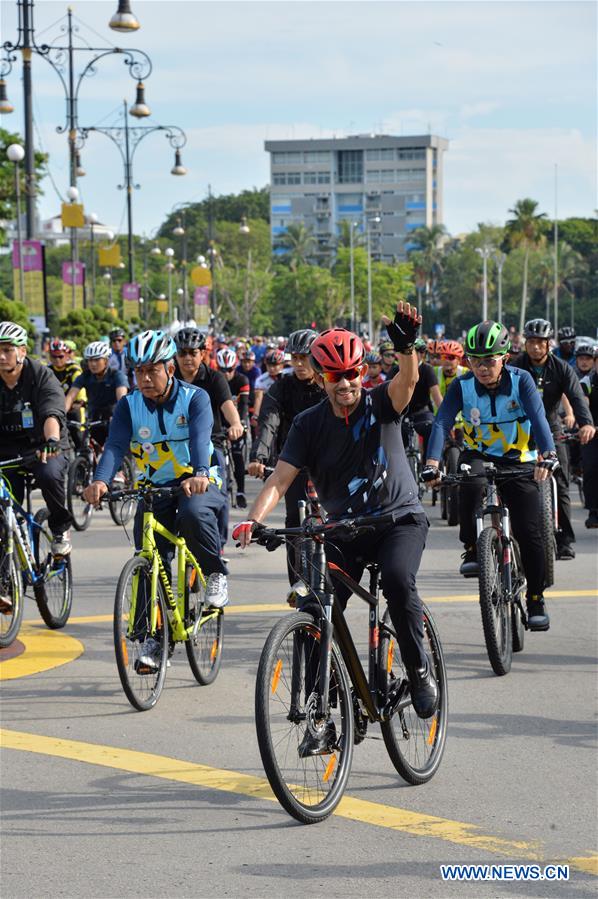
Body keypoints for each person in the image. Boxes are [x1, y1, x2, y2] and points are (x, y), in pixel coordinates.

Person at [234, 303, 438, 726]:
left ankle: (419, 671)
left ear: (362, 371)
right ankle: (321, 703)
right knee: (314, 607)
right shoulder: (308, 424)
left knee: (399, 581)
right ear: (321, 376)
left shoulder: (381, 403)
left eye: (351, 373)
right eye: (334, 375)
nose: (344, 383)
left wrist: (406, 346)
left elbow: (410, 379)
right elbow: (279, 480)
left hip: (398, 521)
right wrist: (254, 521)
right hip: (344, 531)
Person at [83, 330, 229, 668]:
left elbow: (199, 439)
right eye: (139, 372)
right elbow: (116, 446)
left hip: (201, 479)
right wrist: (100, 481)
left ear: (170, 369)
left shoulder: (195, 398)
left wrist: (200, 473)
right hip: (154, 485)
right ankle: (153, 639)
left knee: (193, 514)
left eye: (153, 370)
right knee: (147, 559)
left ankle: (215, 572)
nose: (145, 379)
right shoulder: (128, 406)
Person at [425, 320, 559, 631]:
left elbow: (539, 419)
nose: (482, 368)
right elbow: (442, 422)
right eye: (475, 361)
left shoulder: (521, 380)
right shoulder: (462, 386)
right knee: (468, 482)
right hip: (480, 455)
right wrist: (432, 462)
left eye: (489, 361)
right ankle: (472, 546)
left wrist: (548, 455)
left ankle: (536, 597)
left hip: (519, 458)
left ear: (504, 359)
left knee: (530, 532)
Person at [510, 319, 595, 560]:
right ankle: (511, 537)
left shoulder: (561, 368)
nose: (535, 347)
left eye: (540, 343)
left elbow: (577, 396)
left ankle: (565, 540)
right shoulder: (515, 367)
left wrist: (586, 422)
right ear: (526, 344)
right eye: (531, 342)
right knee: (512, 482)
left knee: (562, 482)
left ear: (549, 344)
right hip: (520, 432)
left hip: (552, 429)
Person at [249, 329, 323, 584]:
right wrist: (258, 456)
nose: (300, 364)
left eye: (306, 357)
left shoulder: (329, 384)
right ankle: (297, 585)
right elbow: (268, 422)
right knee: (295, 520)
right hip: (293, 461)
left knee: (338, 521)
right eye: (295, 358)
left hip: (328, 461)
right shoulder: (281, 386)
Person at [0, 321, 72, 555]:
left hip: (43, 446)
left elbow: (52, 413)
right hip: (7, 451)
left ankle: (60, 527)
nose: (1, 356)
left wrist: (51, 441)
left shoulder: (41, 375)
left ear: (22, 351)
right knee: (5, 505)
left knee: (49, 474)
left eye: (7, 350)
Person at [174, 328, 244, 542]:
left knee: (219, 487)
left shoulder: (215, 378)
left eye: (192, 353)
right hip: (176, 446)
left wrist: (235, 424)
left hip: (212, 444)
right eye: (182, 353)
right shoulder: (169, 378)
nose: (187, 358)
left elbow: (227, 405)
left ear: (202, 353)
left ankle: (218, 546)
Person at [65, 341, 128, 448]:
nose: (93, 364)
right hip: (93, 418)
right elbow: (70, 396)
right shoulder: (85, 376)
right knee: (85, 448)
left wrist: (120, 415)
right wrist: (60, 414)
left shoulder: (116, 375)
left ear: (106, 360)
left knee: (117, 449)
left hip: (113, 417)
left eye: (97, 359)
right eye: (90, 360)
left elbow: (122, 398)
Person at [217, 347, 250, 509]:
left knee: (238, 456)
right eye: (223, 370)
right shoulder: (215, 380)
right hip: (220, 420)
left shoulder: (242, 380)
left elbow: (243, 406)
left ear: (235, 368)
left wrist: (241, 423)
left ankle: (241, 492)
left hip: (237, 420)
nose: (226, 374)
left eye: (229, 370)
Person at [402, 340, 443, 461]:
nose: (409, 356)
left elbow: (437, 396)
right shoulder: (396, 370)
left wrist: (445, 417)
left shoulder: (427, 370)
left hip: (422, 412)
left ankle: (429, 464)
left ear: (422, 354)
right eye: (406, 353)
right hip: (402, 414)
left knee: (432, 430)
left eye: (413, 352)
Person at [579, 347, 598, 528]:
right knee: (591, 468)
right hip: (592, 432)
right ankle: (594, 511)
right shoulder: (587, 381)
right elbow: (583, 403)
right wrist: (587, 424)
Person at [252, 348, 285, 421]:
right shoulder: (260, 380)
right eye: (269, 365)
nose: (271, 368)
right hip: (269, 411)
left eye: (275, 365)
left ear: (282, 365)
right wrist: (255, 415)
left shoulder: (288, 375)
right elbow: (258, 398)